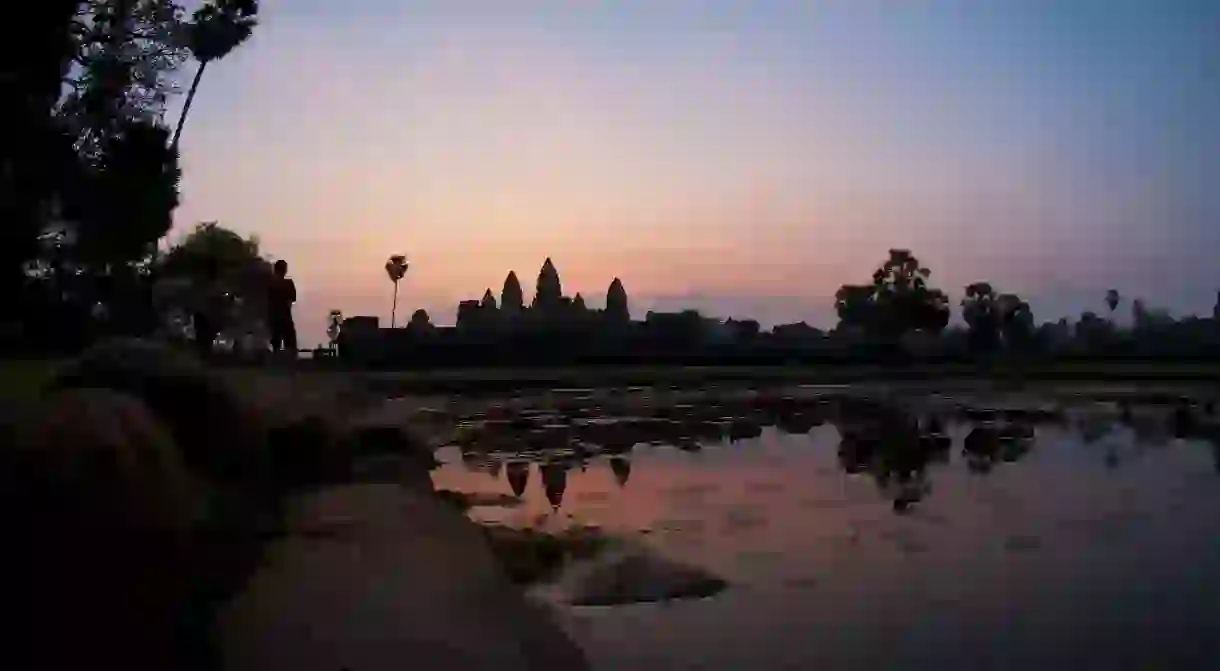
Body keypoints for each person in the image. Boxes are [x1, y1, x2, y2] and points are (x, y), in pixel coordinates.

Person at [192, 259, 227, 360]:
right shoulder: (216, 284)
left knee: (203, 338)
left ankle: (202, 357)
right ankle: (204, 357)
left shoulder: (200, 281)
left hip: (204, 313)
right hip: (209, 315)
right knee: (206, 338)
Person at [267, 259, 297, 355]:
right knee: (290, 342)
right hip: (285, 316)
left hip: (274, 316)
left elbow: (268, 299)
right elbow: (292, 299)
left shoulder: (271, 284)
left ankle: (276, 362)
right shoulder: (288, 283)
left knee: (276, 342)